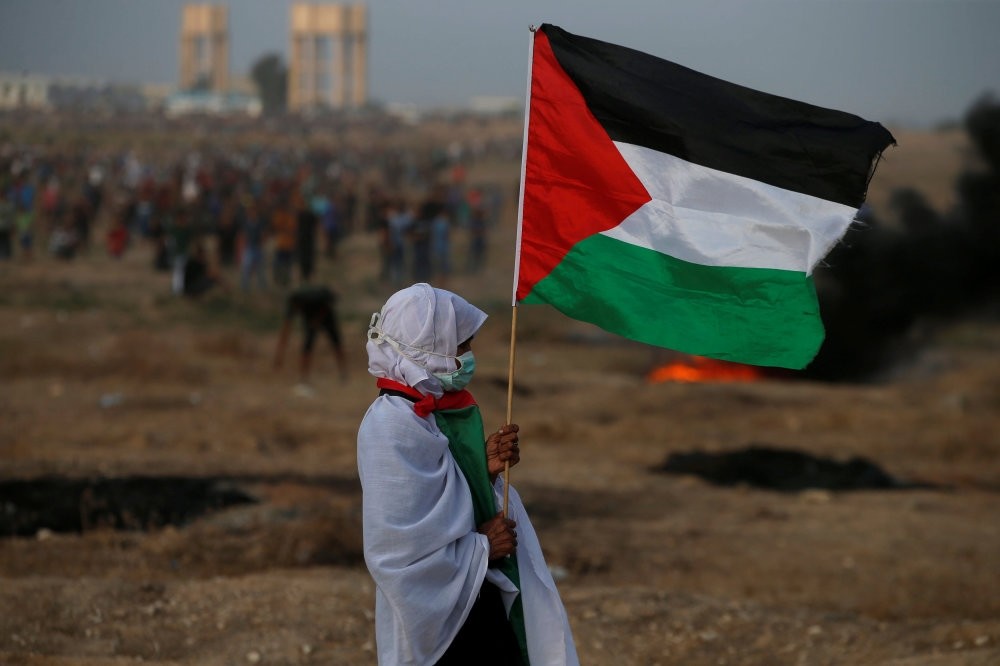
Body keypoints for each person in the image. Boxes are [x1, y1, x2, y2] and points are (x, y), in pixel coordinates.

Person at [357, 283, 579, 665]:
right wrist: (482, 547)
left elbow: (444, 500)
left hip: (472, 591)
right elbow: (397, 552)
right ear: (427, 347)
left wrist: (483, 470)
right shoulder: (391, 424)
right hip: (436, 616)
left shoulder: (429, 414)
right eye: (460, 346)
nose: (467, 357)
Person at [272, 285, 347, 385]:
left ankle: (343, 372)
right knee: (307, 346)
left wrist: (318, 318)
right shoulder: (293, 304)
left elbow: (330, 300)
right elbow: (286, 329)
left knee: (336, 344)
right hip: (310, 318)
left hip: (326, 315)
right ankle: (304, 377)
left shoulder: (312, 297)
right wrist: (279, 355)